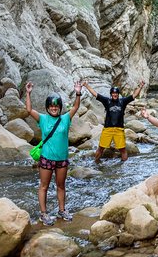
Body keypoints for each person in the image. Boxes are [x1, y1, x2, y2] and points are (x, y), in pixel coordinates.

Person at [25, 80, 83, 226]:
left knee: (61, 185)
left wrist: (78, 92)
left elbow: (76, 107)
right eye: (51, 106)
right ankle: (43, 214)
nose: (54, 108)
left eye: (56, 106)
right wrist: (28, 93)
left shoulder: (65, 119)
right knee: (44, 186)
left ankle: (62, 211)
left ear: (59, 107)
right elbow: (29, 110)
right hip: (46, 158)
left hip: (62, 159)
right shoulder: (43, 119)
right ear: (47, 107)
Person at [83, 80, 145, 163]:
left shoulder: (123, 101)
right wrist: (86, 85)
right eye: (113, 93)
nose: (115, 94)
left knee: (122, 149)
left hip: (119, 130)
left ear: (118, 94)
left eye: (116, 93)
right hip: (107, 129)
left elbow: (134, 95)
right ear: (111, 94)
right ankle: (96, 163)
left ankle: (124, 166)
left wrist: (140, 86)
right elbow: (95, 94)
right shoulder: (107, 101)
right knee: (101, 147)